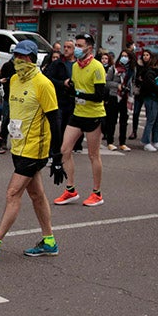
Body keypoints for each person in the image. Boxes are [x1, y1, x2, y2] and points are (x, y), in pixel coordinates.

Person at [0, 40, 64, 261]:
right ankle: (49, 241)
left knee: (13, 193)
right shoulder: (13, 79)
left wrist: (57, 156)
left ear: (32, 59)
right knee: (36, 195)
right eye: (16, 57)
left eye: (23, 57)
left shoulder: (43, 84)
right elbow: (11, 111)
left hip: (35, 148)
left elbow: (55, 119)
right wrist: (0, 138)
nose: (19, 61)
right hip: (18, 145)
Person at [53, 33, 106, 207]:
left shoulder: (97, 67)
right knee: (64, 149)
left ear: (89, 48)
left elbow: (99, 96)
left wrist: (78, 93)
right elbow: (74, 88)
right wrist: (69, 88)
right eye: (76, 44)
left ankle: (97, 193)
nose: (76, 48)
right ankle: (70, 189)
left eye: (80, 45)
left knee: (93, 155)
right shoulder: (76, 66)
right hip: (78, 113)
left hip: (93, 115)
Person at [138, 50, 158, 152]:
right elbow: (151, 85)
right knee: (151, 120)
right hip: (151, 98)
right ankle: (146, 141)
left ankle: (156, 141)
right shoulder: (149, 72)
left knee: (157, 121)